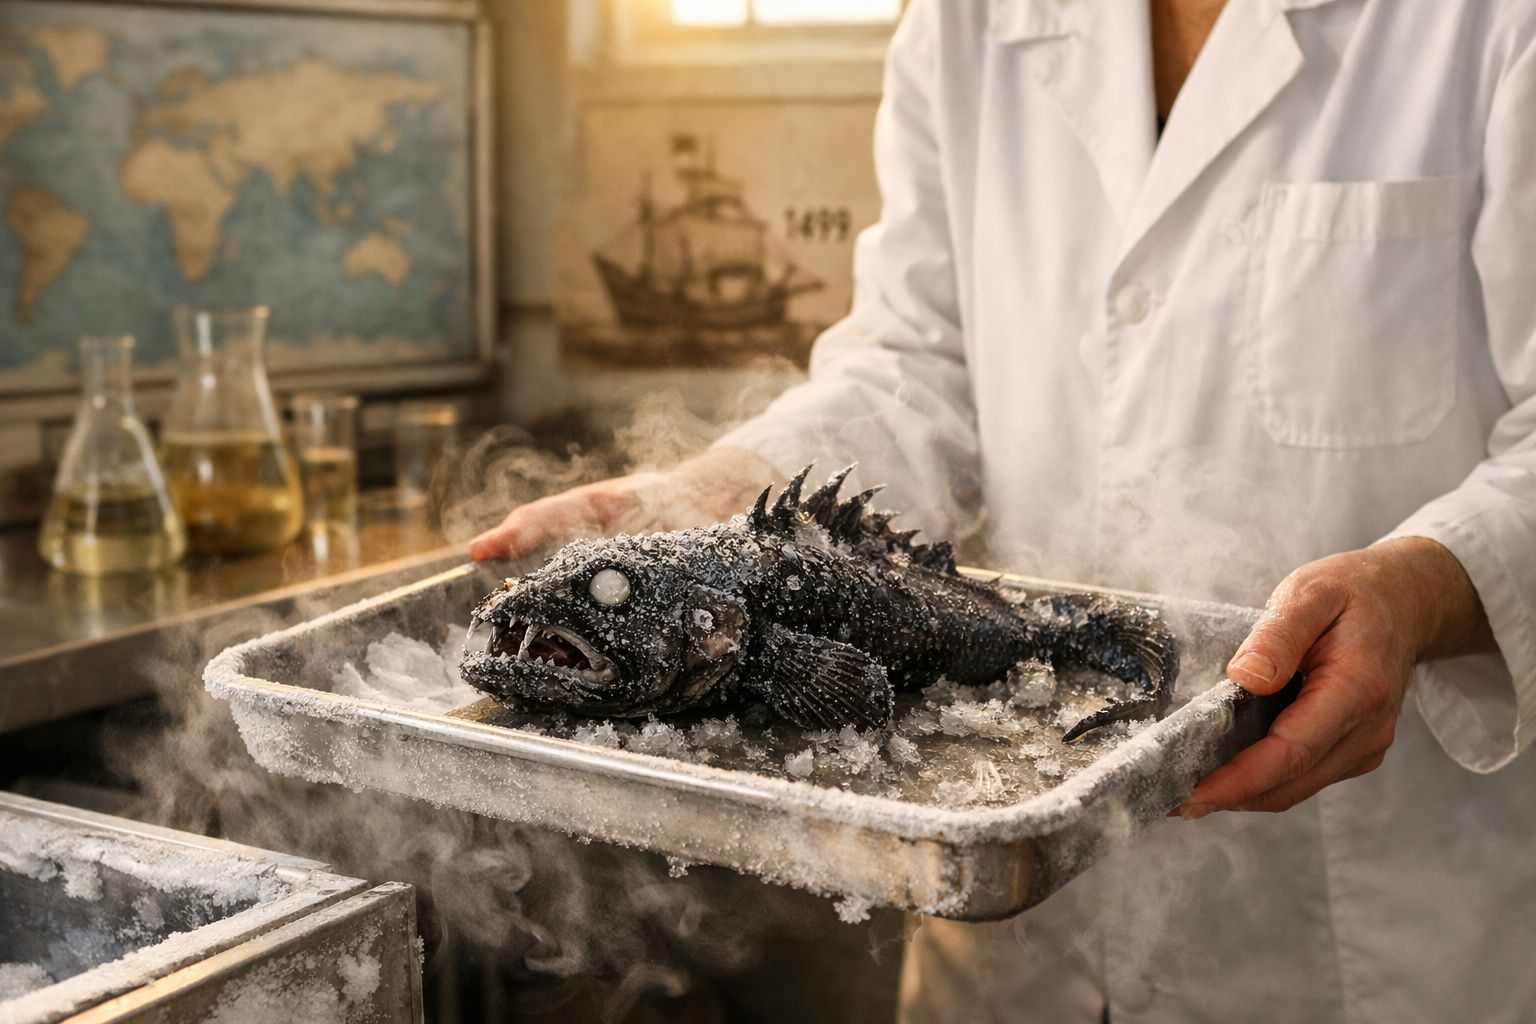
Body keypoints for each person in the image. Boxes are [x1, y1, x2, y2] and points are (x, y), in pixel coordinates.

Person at [473, 0, 1536, 1019]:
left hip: (1348, 910)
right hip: (1007, 906)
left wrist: (1422, 586)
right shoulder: (963, 14)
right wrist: (721, 487)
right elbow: (913, 369)